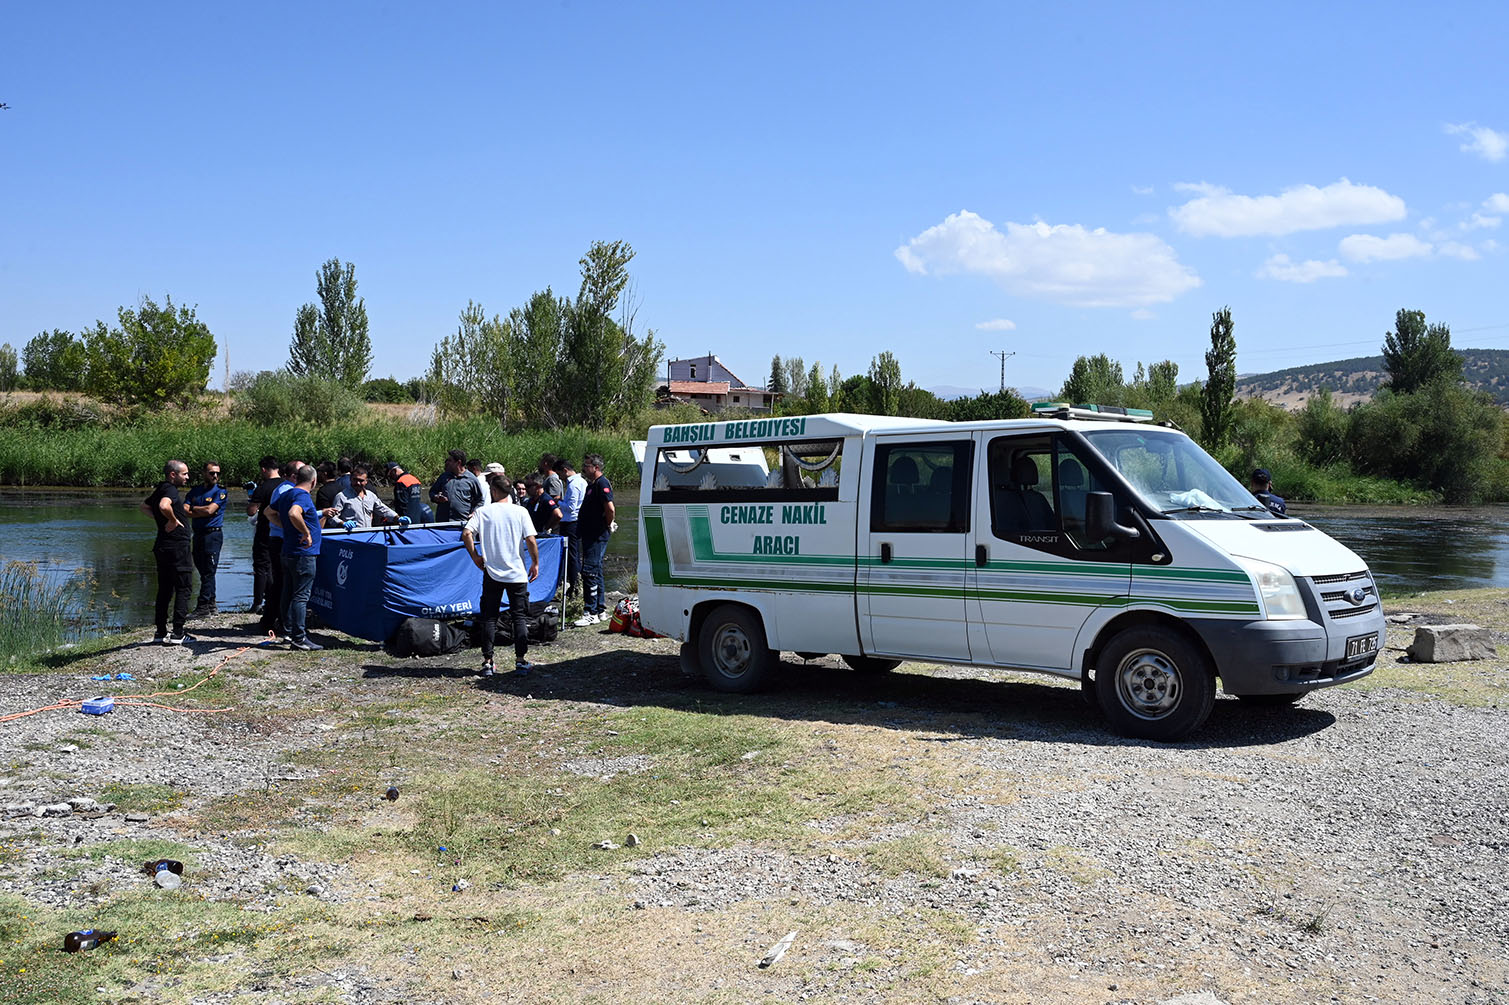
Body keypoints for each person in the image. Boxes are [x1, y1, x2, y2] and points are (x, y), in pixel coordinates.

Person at [462, 473, 540, 677]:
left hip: (492, 572)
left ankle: (488, 662)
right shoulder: (521, 511)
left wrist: (475, 556)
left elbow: (466, 533)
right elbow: (531, 540)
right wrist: (535, 562)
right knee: (519, 617)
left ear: (494, 491)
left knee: (489, 617)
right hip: (516, 573)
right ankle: (521, 660)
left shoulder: (483, 512)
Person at [268, 464, 324, 651]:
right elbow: (294, 513)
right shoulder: (302, 496)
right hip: (303, 554)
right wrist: (306, 532)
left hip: (288, 551)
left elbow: (268, 512)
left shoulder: (286, 494)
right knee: (301, 596)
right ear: (314, 481)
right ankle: (299, 637)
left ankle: (287, 631)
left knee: (288, 592)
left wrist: (285, 526)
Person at [141, 459, 194, 644]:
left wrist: (161, 521)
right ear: (173, 474)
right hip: (176, 546)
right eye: (184, 474)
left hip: (163, 546)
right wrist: (171, 521)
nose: (187, 477)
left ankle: (160, 632)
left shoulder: (161, 488)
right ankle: (178, 633)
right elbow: (164, 506)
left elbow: (145, 507)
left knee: (164, 589)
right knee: (184, 586)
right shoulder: (170, 490)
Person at [258, 459, 303, 635]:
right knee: (283, 583)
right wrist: (292, 529)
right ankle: (278, 622)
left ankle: (272, 620)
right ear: (293, 475)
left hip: (279, 539)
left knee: (282, 582)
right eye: (302, 473)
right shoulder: (287, 491)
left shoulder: (287, 489)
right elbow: (275, 513)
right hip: (280, 541)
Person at [573, 453, 615, 627]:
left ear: (596, 467)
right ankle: (600, 609)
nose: (584, 468)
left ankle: (590, 612)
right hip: (589, 534)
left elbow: (610, 508)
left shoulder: (602, 483)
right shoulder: (592, 485)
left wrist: (607, 524)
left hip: (597, 535)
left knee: (589, 571)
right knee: (596, 570)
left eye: (587, 466)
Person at [185, 461, 228, 618]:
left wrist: (194, 509)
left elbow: (210, 510)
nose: (215, 476)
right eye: (211, 473)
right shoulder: (195, 491)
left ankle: (203, 606)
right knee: (203, 570)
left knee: (209, 571)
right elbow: (183, 510)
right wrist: (200, 512)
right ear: (204, 473)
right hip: (198, 534)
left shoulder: (220, 492)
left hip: (213, 535)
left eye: (217, 473)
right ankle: (211, 604)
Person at [246, 456, 281, 615]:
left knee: (261, 567)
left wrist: (251, 497)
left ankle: (258, 602)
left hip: (264, 531)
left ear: (263, 469)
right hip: (281, 532)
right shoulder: (286, 485)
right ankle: (275, 599)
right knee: (276, 567)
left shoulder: (263, 487)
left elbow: (251, 511)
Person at [327, 462, 402, 528]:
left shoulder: (371, 496)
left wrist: (397, 517)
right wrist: (342, 523)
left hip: (367, 535)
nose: (358, 483)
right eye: (355, 480)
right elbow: (332, 518)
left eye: (361, 481)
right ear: (350, 479)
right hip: (350, 537)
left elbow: (384, 510)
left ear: (366, 481)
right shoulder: (342, 497)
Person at [555, 457, 586, 598]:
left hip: (571, 523)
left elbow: (571, 507)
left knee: (572, 556)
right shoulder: (581, 482)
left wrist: (558, 502)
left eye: (560, 474)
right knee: (573, 555)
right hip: (575, 522)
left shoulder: (574, 484)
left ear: (565, 471)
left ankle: (575, 586)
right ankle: (575, 584)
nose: (560, 477)